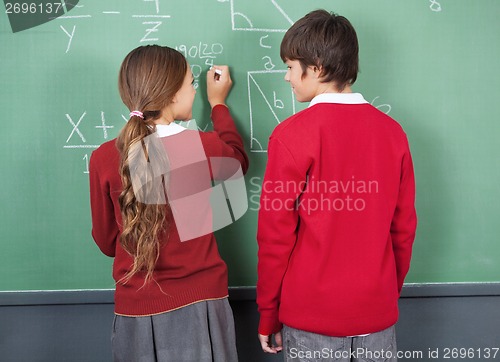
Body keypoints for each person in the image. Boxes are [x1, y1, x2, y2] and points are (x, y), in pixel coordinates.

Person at [256, 9, 417, 361]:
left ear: (315, 67)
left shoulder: (292, 136)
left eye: (289, 66)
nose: (287, 78)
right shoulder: (393, 134)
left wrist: (268, 311)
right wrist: (384, 294)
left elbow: (275, 235)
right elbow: (403, 229)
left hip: (311, 318)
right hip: (377, 315)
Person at [89, 45, 248, 362]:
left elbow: (108, 242)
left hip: (137, 308)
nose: (194, 90)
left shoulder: (104, 157)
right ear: (173, 94)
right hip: (202, 304)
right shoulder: (200, 145)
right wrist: (217, 104)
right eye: (191, 83)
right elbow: (238, 160)